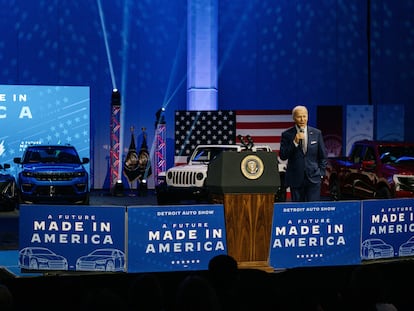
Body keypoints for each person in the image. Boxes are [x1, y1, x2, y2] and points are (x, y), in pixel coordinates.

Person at [279, 105, 327, 202]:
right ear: (294, 118)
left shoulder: (317, 133)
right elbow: (283, 156)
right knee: (298, 211)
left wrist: (321, 173)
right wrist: (295, 142)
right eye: (299, 116)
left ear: (308, 117)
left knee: (313, 209)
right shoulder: (287, 134)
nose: (302, 119)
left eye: (304, 116)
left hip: (313, 178)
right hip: (296, 179)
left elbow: (323, 156)